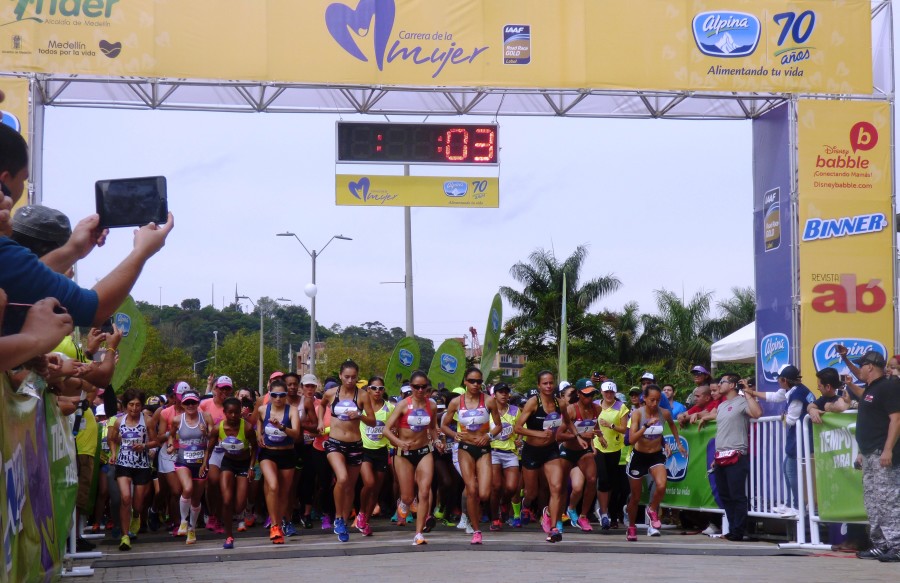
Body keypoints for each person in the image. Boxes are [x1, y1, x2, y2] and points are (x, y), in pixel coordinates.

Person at [0, 123, 175, 330]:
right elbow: (93, 308)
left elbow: (24, 280)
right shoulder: (5, 254)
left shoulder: (9, 260)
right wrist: (141, 252)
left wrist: (73, 249)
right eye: (23, 179)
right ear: (4, 180)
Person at [842, 351, 900, 562]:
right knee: (873, 500)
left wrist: (888, 449)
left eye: (862, 366)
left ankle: (897, 544)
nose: (860, 370)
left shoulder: (890, 386)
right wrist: (860, 452)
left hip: (881, 452)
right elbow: (868, 414)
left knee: (888, 499)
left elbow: (896, 420)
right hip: (868, 453)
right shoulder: (871, 389)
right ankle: (881, 544)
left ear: (870, 367)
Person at [440, 367, 501, 545]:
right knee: (472, 489)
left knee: (484, 493)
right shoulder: (457, 402)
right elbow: (444, 425)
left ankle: (474, 516)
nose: (476, 384)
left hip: (483, 449)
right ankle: (476, 530)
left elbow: (498, 425)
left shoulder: (489, 401)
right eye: (472, 381)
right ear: (465, 382)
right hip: (465, 448)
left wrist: (488, 436)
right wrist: (454, 435)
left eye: (479, 381)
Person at [317, 360, 376, 542]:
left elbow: (372, 421)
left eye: (353, 377)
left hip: (355, 444)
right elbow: (322, 405)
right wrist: (320, 421)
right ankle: (338, 518)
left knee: (349, 485)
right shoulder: (331, 393)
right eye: (347, 376)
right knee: (341, 478)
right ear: (341, 376)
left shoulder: (363, 396)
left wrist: (359, 415)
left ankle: (343, 517)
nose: (350, 380)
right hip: (335, 442)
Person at [386, 370, 443, 545]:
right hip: (404, 454)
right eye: (416, 387)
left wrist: (437, 441)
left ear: (428, 387)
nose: (420, 390)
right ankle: (403, 503)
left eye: (423, 387)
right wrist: (398, 442)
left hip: (424, 451)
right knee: (408, 497)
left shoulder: (431, 405)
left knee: (425, 491)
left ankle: (419, 534)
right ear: (411, 387)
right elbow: (386, 429)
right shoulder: (403, 405)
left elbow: (432, 428)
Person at [625, 384, 686, 541]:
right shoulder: (638, 414)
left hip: (655, 456)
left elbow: (673, 426)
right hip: (639, 457)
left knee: (662, 485)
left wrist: (678, 443)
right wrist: (646, 426)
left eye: (658, 400)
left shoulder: (663, 413)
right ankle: (631, 527)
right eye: (651, 400)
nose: (654, 403)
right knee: (636, 497)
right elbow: (631, 439)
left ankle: (652, 509)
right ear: (644, 399)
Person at [514, 370, 568, 543]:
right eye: (545, 383)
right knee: (531, 492)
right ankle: (527, 505)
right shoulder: (533, 403)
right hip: (532, 450)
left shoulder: (560, 404)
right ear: (539, 385)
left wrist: (578, 436)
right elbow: (518, 428)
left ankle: (553, 528)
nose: (548, 386)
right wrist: (538, 434)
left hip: (551, 450)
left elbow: (568, 421)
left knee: (557, 487)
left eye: (551, 383)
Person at [709, 373, 762, 541]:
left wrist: (747, 392)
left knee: (737, 495)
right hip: (720, 456)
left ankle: (738, 531)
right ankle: (732, 529)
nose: (719, 385)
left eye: (722, 382)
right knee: (725, 495)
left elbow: (757, 413)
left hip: (736, 455)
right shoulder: (722, 405)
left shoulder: (741, 402)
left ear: (732, 385)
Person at [108, 389, 158, 551]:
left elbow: (155, 441)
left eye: (137, 405)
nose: (134, 408)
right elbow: (112, 439)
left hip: (142, 465)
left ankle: (136, 516)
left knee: (137, 504)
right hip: (123, 463)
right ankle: (125, 536)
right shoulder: (118, 421)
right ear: (125, 406)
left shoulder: (148, 421)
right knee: (125, 498)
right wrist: (114, 453)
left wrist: (144, 446)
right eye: (131, 405)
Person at [253, 378, 301, 544]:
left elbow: (296, 434)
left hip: (287, 454)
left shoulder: (292, 411)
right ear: (270, 395)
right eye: (274, 395)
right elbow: (257, 421)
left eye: (282, 395)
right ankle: (275, 525)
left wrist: (281, 427)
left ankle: (279, 523)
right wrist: (259, 434)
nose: (278, 398)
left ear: (286, 395)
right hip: (268, 453)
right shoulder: (262, 409)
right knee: (273, 485)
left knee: (284, 493)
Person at [204, 397, 256, 549]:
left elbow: (254, 448)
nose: (233, 416)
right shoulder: (217, 428)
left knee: (239, 506)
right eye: (230, 413)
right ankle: (229, 536)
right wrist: (205, 463)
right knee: (226, 500)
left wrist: (251, 468)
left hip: (244, 464)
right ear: (225, 413)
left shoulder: (246, 427)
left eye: (237, 413)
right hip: (227, 463)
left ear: (241, 412)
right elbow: (210, 447)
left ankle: (233, 514)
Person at [167, 390, 213, 545]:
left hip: (201, 462)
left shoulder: (205, 417)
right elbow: (171, 436)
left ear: (198, 403)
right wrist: (171, 446)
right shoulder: (177, 420)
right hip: (183, 461)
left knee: (196, 499)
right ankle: (183, 521)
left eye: (193, 402)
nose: (191, 405)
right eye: (187, 403)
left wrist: (205, 432)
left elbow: (213, 440)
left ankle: (192, 529)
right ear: (182, 404)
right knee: (187, 489)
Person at [560, 379, 605, 532]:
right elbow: (559, 435)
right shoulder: (571, 410)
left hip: (583, 451)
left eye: (592, 394)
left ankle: (583, 515)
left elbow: (594, 425)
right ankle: (561, 514)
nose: (590, 397)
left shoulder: (597, 409)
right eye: (586, 394)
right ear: (578, 394)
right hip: (568, 451)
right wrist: (578, 435)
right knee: (569, 487)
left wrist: (599, 437)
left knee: (592, 479)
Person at [358, 376, 394, 536]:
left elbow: (394, 429)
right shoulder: (362, 407)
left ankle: (365, 520)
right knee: (369, 483)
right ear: (368, 390)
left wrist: (393, 446)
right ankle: (360, 512)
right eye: (374, 388)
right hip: (364, 449)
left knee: (376, 490)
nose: (377, 391)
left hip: (381, 451)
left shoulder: (390, 408)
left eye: (380, 388)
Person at [595, 380, 629, 529]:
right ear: (601, 392)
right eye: (606, 392)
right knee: (602, 479)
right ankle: (603, 513)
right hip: (598, 446)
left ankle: (611, 514)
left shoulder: (621, 407)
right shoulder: (595, 404)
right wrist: (598, 436)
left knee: (613, 483)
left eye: (611, 392)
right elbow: (591, 423)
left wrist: (611, 426)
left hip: (615, 448)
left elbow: (624, 429)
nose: (609, 394)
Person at [488, 382, 522, 529]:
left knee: (512, 487)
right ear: (494, 395)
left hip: (510, 452)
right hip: (493, 451)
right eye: (500, 392)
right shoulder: (488, 410)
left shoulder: (515, 410)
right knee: (496, 486)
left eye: (506, 392)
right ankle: (495, 519)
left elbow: (521, 428)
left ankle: (504, 503)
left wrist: (520, 438)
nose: (503, 394)